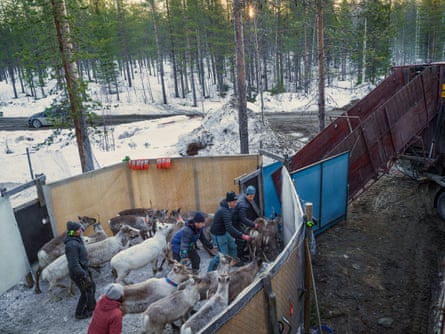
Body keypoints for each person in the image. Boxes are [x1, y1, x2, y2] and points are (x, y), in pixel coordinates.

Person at [207, 191, 252, 272]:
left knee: (233, 246)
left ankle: (235, 261)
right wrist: (242, 235)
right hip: (218, 233)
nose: (236, 203)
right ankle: (209, 272)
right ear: (230, 202)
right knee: (222, 255)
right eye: (235, 202)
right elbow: (229, 227)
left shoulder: (229, 207)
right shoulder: (224, 211)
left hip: (224, 231)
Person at [64, 220, 96, 320]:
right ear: (73, 231)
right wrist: (83, 275)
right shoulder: (72, 245)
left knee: (91, 287)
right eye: (78, 229)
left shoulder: (76, 238)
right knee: (85, 293)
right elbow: (74, 264)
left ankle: (92, 306)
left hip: (83, 269)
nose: (80, 230)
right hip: (79, 273)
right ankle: (79, 313)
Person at [232, 185, 260, 262]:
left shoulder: (242, 196)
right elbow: (243, 219)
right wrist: (254, 225)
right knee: (242, 238)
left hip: (236, 219)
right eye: (250, 197)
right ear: (247, 194)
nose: (252, 198)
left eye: (253, 196)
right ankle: (239, 257)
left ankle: (241, 252)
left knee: (243, 234)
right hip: (234, 222)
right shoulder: (243, 205)